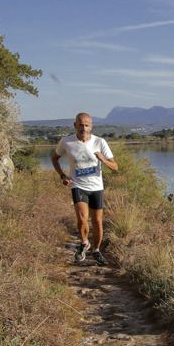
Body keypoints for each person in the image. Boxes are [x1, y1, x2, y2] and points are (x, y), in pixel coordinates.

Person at [52, 112, 119, 264]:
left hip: (96, 187)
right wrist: (62, 175)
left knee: (97, 221)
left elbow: (115, 167)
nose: (83, 127)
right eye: (80, 124)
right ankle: (83, 244)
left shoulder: (100, 142)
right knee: (82, 219)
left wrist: (103, 160)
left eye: (86, 125)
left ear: (91, 126)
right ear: (75, 125)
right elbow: (55, 158)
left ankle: (96, 249)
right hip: (78, 185)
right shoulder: (66, 142)